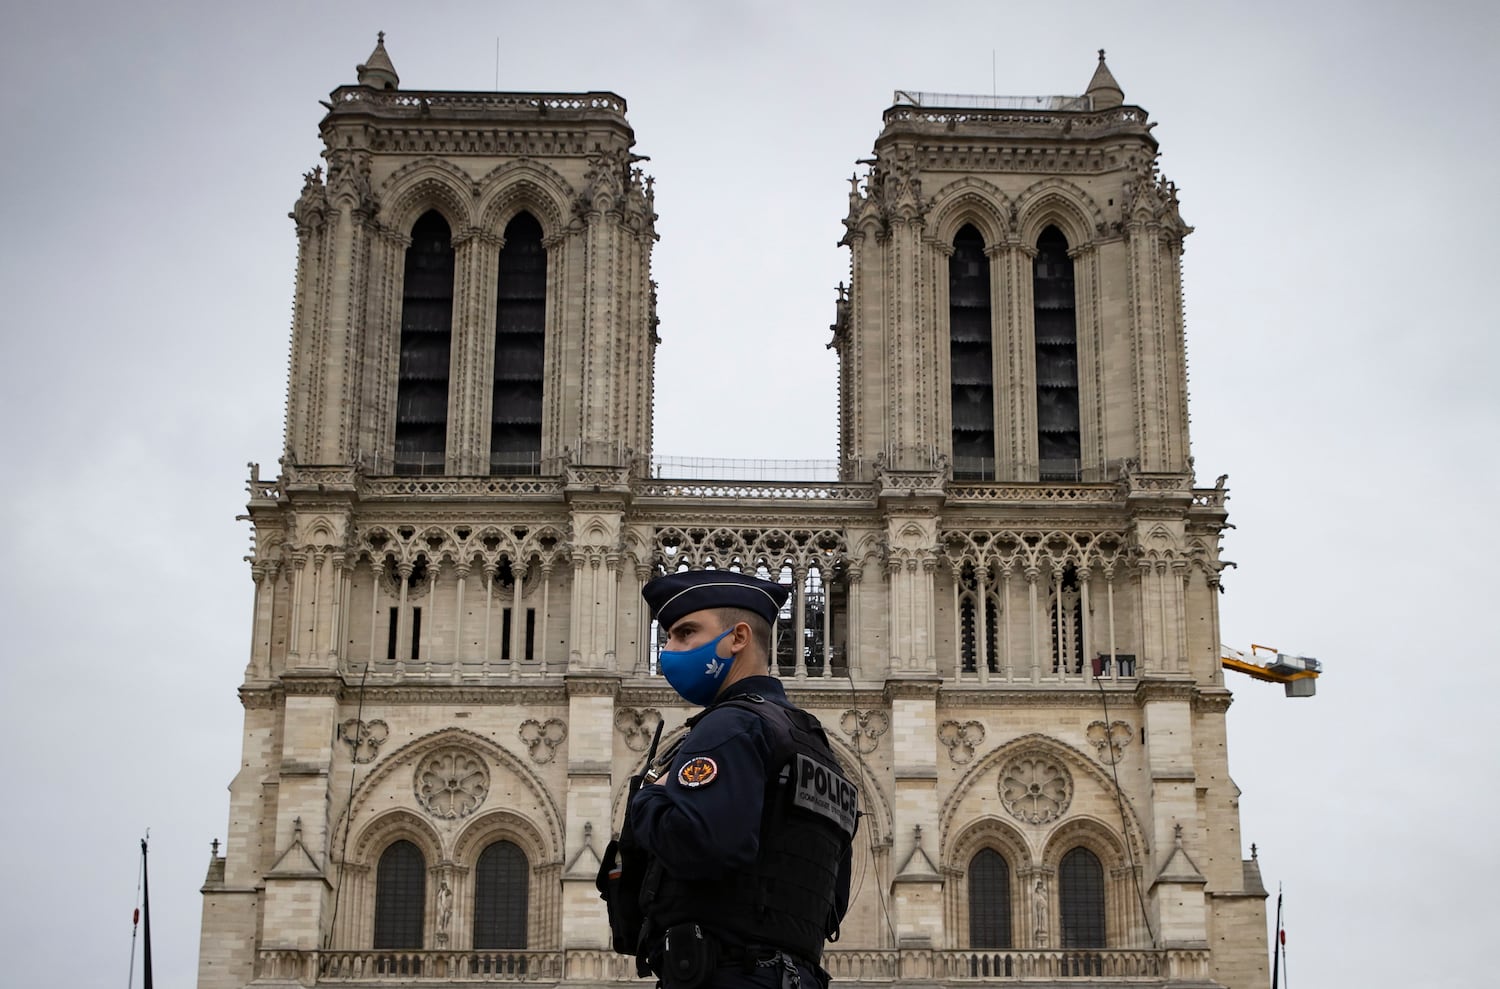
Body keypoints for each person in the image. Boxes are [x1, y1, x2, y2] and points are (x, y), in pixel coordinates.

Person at [629, 569, 856, 989]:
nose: (668, 650)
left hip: (724, 973)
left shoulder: (731, 725)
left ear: (738, 638)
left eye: (684, 633)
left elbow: (702, 844)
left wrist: (647, 799)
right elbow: (832, 904)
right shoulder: (818, 749)